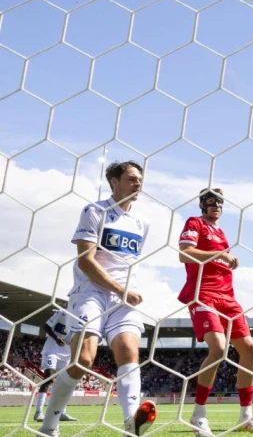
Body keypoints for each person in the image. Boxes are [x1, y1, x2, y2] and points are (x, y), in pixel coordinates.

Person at [39, 161, 156, 437]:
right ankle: (48, 427)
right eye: (131, 178)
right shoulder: (94, 211)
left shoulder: (142, 223)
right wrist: (120, 287)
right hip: (90, 293)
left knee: (129, 351)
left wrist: (126, 290)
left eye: (140, 179)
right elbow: (86, 261)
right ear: (114, 181)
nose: (138, 183)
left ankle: (131, 423)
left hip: (123, 300)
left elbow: (129, 262)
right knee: (84, 360)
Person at [178, 188, 253, 435]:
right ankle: (197, 415)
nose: (217, 206)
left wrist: (224, 258)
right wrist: (220, 255)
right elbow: (184, 253)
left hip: (228, 297)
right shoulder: (195, 222)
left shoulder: (222, 233)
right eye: (212, 202)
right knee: (218, 348)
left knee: (250, 349)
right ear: (202, 204)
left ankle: (245, 417)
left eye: (220, 203)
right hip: (203, 293)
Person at [33, 308, 77, 423]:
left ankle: (62, 412)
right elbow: (46, 326)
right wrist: (56, 338)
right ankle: (38, 412)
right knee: (49, 377)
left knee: (65, 383)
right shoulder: (62, 312)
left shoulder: (81, 319)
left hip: (67, 354)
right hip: (52, 350)